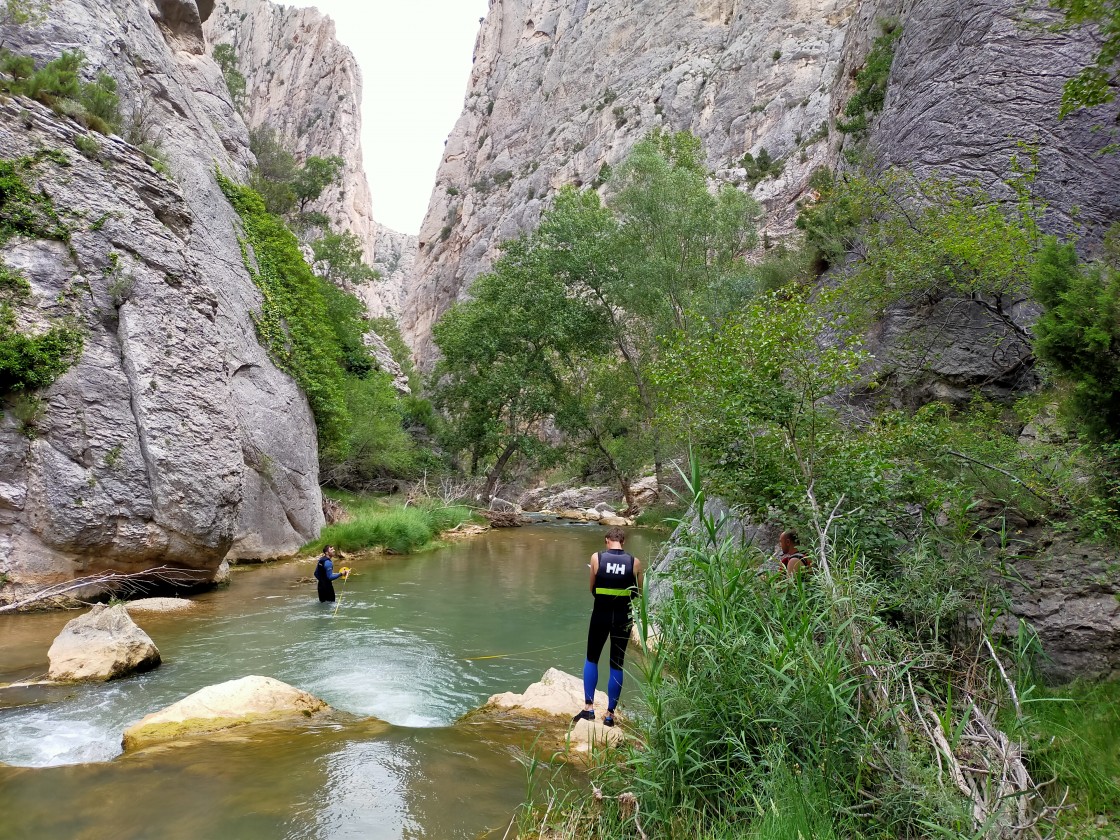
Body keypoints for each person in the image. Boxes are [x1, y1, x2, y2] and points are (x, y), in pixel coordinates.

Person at [573, 526, 643, 728]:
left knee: (592, 658)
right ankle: (610, 715)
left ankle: (588, 709)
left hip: (600, 615)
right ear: (623, 542)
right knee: (616, 663)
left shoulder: (597, 558)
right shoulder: (634, 562)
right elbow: (638, 592)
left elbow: (592, 588)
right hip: (623, 618)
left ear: (607, 540)